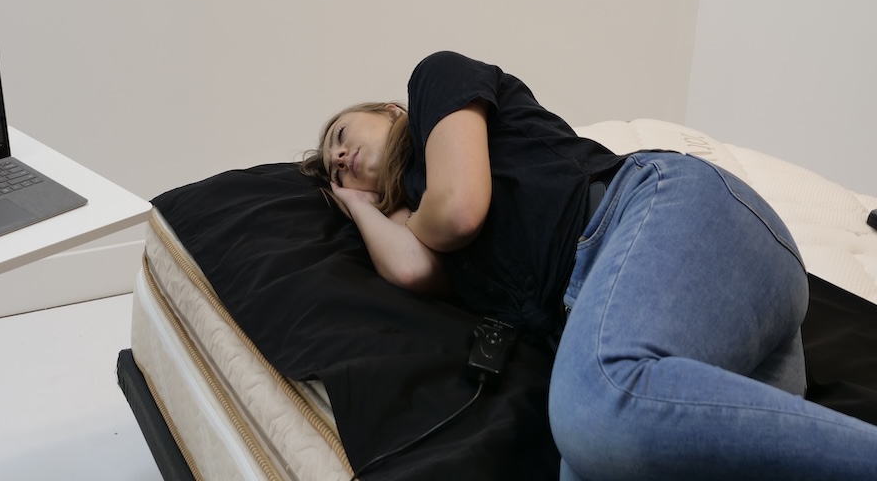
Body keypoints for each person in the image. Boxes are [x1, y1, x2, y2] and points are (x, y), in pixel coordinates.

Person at [300, 50, 877, 480]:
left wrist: (403, 213)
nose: (342, 158)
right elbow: (410, 271)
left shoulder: (436, 80)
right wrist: (360, 206)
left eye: (342, 135)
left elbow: (459, 210)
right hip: (731, 314)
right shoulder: (415, 225)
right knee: (586, 467)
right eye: (335, 169)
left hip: (675, 211)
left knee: (593, 405)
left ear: (388, 109)